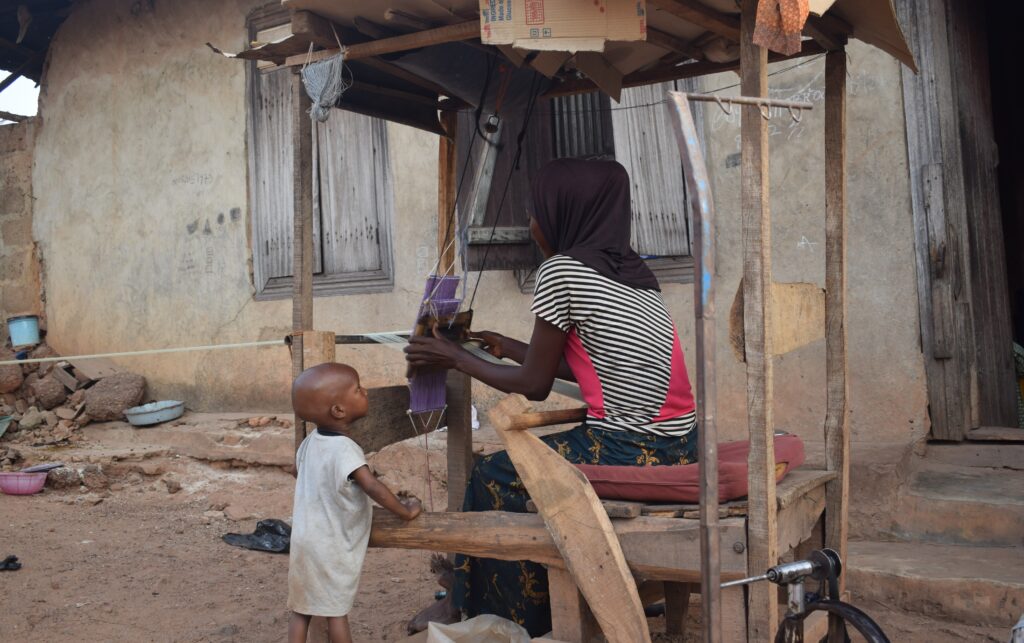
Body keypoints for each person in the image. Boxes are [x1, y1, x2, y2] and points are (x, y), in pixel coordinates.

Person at [404, 158, 698, 636]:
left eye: (536, 212)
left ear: (567, 213)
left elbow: (535, 385)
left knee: (492, 475)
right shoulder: (636, 272)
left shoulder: (561, 271)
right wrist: (507, 347)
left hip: (630, 448)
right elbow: (594, 362)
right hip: (680, 443)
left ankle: (474, 609)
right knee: (521, 467)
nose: (531, 225)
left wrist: (454, 357)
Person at [287, 363, 422, 643]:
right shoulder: (345, 449)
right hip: (330, 544)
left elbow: (298, 471)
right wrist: (405, 511)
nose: (366, 392)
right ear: (339, 410)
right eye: (358, 389)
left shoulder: (311, 441)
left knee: (301, 609)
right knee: (336, 611)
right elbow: (371, 485)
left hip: (303, 539)